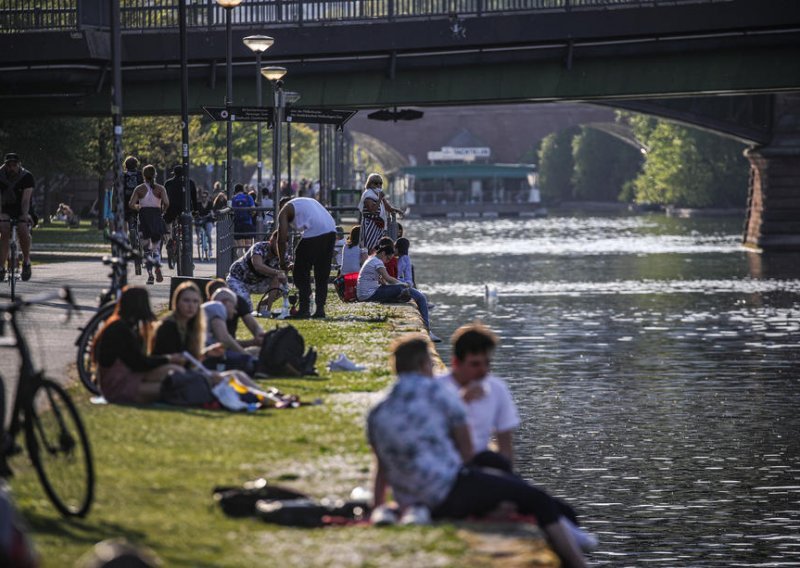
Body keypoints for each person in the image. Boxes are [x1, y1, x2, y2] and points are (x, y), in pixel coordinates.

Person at [366, 334, 588, 568]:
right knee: (537, 499)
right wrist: (488, 496)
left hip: (407, 499)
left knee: (501, 479)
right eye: (430, 365)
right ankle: (579, 563)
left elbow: (381, 467)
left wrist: (378, 508)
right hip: (447, 492)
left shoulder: (378, 409)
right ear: (423, 365)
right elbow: (468, 454)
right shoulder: (442, 395)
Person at [152, 282, 262, 390]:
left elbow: (190, 357)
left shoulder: (192, 325)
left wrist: (207, 352)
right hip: (172, 373)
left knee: (238, 375)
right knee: (229, 379)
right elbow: (174, 359)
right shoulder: (169, 326)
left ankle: (268, 397)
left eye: (195, 301)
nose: (191, 305)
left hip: (189, 370)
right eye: (186, 301)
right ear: (176, 302)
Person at [439, 322, 520, 468]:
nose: (483, 371)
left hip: (478, 465)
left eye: (487, 363)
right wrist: (461, 401)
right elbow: (428, 436)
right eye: (475, 364)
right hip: (443, 466)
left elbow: (506, 448)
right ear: (456, 363)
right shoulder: (436, 388)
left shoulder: (497, 389)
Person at [92, 286, 186, 404]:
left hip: (128, 375)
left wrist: (168, 361)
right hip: (117, 385)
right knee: (172, 388)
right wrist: (168, 359)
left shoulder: (126, 325)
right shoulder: (119, 329)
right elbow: (139, 363)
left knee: (176, 371)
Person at [356, 241, 439, 342]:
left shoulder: (371, 259)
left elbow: (380, 280)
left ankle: (408, 299)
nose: (387, 261)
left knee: (406, 293)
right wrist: (402, 284)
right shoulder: (377, 262)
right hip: (369, 294)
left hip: (366, 294)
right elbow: (388, 278)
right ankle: (428, 331)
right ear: (383, 254)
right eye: (388, 258)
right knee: (411, 293)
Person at [276, 196, 337, 319]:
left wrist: (282, 262)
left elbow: (281, 240)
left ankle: (304, 308)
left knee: (300, 271)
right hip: (331, 229)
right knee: (322, 272)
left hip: (315, 231)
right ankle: (320, 308)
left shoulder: (284, 210)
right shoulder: (303, 202)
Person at [226, 230, 288, 314]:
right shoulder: (259, 247)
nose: (281, 248)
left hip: (257, 283)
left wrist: (286, 272)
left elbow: (284, 273)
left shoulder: (284, 255)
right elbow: (258, 266)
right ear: (272, 240)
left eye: (283, 245)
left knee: (282, 288)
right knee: (247, 311)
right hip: (238, 280)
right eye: (279, 244)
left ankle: (265, 308)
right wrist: (278, 272)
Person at [128, 164, 169, 285]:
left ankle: (150, 274)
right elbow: (167, 202)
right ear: (155, 174)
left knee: (146, 250)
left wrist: (139, 207)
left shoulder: (139, 189)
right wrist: (163, 210)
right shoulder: (160, 189)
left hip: (144, 220)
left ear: (143, 175)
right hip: (156, 218)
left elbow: (131, 204)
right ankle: (157, 266)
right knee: (156, 249)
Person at [201, 287, 258, 374]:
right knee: (251, 360)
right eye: (234, 307)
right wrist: (246, 356)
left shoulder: (209, 310)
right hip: (208, 358)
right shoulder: (218, 307)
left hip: (206, 354)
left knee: (255, 351)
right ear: (226, 302)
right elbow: (224, 338)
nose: (235, 312)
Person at [0, 152, 35, 282]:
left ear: (19, 165)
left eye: (14, 165)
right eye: (9, 165)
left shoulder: (27, 177)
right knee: (3, 229)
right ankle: (1, 266)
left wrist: (25, 215)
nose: (11, 168)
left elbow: (26, 200)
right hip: (5, 208)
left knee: (23, 229)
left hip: (22, 207)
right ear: (5, 165)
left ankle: (26, 262)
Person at [205, 278, 266, 348]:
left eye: (227, 295)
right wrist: (251, 343)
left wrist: (260, 336)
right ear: (210, 299)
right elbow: (224, 342)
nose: (235, 311)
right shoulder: (211, 310)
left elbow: (253, 325)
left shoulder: (237, 301)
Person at [358, 173, 402, 253]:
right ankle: (370, 261)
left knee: (378, 246)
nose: (378, 185)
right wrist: (380, 198)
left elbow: (388, 207)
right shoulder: (368, 194)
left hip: (379, 225)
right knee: (370, 246)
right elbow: (372, 210)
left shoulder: (379, 193)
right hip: (370, 224)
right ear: (370, 184)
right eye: (375, 183)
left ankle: (376, 261)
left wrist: (398, 211)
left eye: (380, 183)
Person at [122, 155, 143, 230]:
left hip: (126, 199)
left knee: (125, 218)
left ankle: (126, 234)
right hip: (138, 198)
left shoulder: (123, 175)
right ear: (136, 165)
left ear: (126, 165)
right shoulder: (140, 174)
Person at [232, 183, 256, 248]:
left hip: (238, 224)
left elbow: (232, 211)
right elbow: (254, 210)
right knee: (248, 246)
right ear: (242, 190)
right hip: (247, 223)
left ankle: (241, 257)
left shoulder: (234, 198)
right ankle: (248, 257)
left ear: (235, 191)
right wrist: (250, 216)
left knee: (239, 247)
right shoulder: (248, 197)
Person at [194, 187, 214, 258]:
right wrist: (196, 215)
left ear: (207, 197)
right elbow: (195, 212)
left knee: (208, 233)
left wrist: (211, 214)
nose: (204, 198)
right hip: (200, 219)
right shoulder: (198, 204)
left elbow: (211, 212)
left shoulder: (210, 203)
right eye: (202, 197)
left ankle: (210, 249)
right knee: (197, 228)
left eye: (205, 197)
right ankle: (198, 238)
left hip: (208, 220)